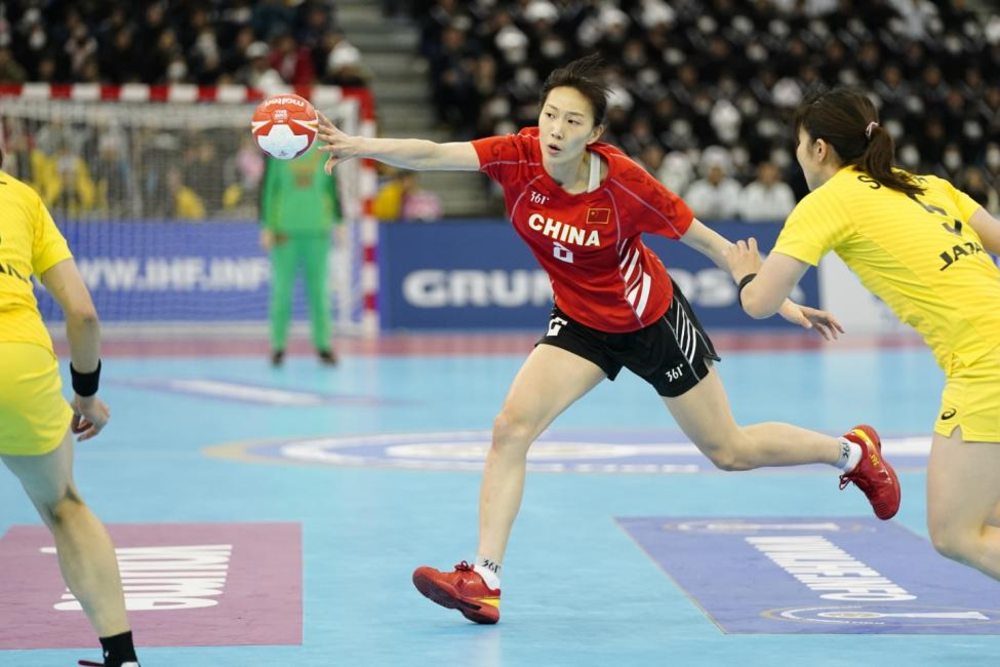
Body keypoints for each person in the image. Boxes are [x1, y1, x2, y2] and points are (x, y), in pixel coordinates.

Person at [315, 55, 900, 625]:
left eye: (572, 121)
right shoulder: (516, 157)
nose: (555, 129)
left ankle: (851, 453)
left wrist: (784, 302)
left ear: (595, 133)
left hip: (653, 324)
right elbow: (437, 154)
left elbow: (715, 245)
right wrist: (360, 146)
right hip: (580, 323)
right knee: (510, 428)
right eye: (549, 114)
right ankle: (485, 580)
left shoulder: (623, 182)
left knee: (729, 451)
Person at [728, 87, 1000, 585]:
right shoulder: (928, 185)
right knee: (989, 512)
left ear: (819, 149)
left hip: (986, 364)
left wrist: (747, 272)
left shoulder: (827, 201)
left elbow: (760, 302)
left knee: (956, 533)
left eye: (798, 144)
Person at [0, 150, 140, 666]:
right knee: (63, 507)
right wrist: (85, 393)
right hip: (16, 364)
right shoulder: (21, 198)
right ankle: (122, 657)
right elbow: (82, 313)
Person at [259, 141, 340, 367]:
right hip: (285, 233)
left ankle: (324, 346)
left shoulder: (324, 148)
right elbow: (268, 188)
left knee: (320, 294)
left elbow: (332, 187)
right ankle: (278, 346)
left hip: (317, 232)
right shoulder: (277, 150)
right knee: (281, 293)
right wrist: (267, 226)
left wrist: (339, 220)